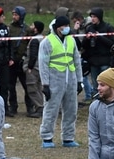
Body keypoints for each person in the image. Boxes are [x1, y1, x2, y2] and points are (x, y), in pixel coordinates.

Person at [38, 16, 83, 148]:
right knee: (51, 110)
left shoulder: (71, 40)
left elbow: (76, 61)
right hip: (54, 82)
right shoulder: (47, 42)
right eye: (64, 26)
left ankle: (68, 138)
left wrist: (80, 80)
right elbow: (43, 64)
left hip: (71, 81)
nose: (67, 28)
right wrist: (45, 84)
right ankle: (47, 137)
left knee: (71, 110)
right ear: (58, 28)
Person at [82, 7, 114, 97]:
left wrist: (99, 37)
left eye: (94, 17)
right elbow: (84, 46)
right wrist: (87, 38)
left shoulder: (108, 27)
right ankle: (97, 101)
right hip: (93, 61)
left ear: (99, 17)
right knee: (95, 85)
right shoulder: (89, 28)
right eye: (91, 16)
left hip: (105, 60)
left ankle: (107, 99)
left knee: (105, 83)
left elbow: (112, 43)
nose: (92, 19)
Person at [8, 6, 32, 116]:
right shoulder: (9, 28)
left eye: (16, 15)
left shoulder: (27, 29)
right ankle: (13, 107)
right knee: (11, 86)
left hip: (23, 62)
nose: (14, 17)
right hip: (12, 62)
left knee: (27, 86)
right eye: (13, 14)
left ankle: (30, 107)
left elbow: (31, 45)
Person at [22, 21, 45, 118]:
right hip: (40, 67)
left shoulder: (35, 40)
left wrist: (29, 67)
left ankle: (40, 108)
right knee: (39, 88)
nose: (30, 27)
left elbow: (33, 55)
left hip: (34, 68)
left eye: (32, 25)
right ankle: (41, 107)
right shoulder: (42, 38)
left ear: (36, 28)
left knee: (32, 89)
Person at [71, 11, 93, 105]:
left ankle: (89, 94)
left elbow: (81, 42)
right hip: (84, 53)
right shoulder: (82, 27)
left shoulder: (88, 27)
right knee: (84, 76)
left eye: (75, 21)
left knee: (83, 76)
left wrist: (75, 31)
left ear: (79, 20)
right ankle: (90, 92)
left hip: (88, 54)